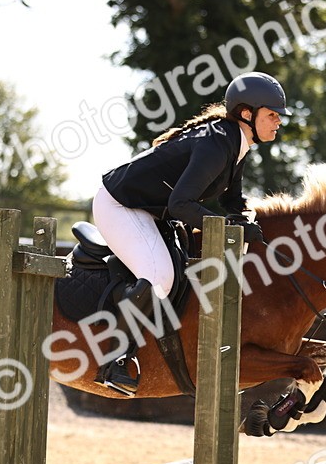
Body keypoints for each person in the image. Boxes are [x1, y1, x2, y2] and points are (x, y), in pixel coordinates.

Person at [91, 71, 289, 395]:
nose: (278, 121)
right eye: (272, 115)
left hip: (150, 210)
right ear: (246, 114)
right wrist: (231, 227)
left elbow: (232, 201)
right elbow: (181, 203)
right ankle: (115, 359)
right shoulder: (216, 143)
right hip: (119, 205)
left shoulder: (236, 143)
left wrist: (248, 220)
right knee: (161, 276)